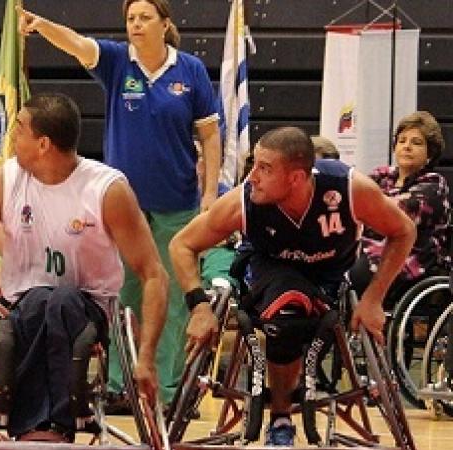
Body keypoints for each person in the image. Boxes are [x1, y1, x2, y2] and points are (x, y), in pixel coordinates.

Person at [18, 0, 221, 408]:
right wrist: (42, 25)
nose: (136, 24)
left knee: (167, 297)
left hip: (175, 203)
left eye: (145, 17)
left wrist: (211, 193)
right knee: (121, 296)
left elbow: (210, 137)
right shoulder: (116, 61)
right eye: (130, 18)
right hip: (122, 207)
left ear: (165, 24)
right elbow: (76, 43)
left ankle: (164, 391)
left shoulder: (191, 70)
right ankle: (118, 386)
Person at [0, 93, 168, 441]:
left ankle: (47, 425)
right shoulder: (0, 182)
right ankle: (37, 426)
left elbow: (153, 274)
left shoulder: (106, 189)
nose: (10, 140)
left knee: (58, 300)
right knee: (38, 302)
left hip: (88, 309)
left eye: (18, 131)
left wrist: (147, 356)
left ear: (43, 143)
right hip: (22, 307)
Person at [169, 126, 415, 446]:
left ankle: (296, 384)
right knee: (288, 303)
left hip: (327, 279)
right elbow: (182, 245)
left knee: (299, 302)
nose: (252, 176)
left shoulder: (348, 189)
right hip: (267, 273)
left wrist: (373, 300)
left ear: (296, 178)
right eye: (254, 164)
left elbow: (404, 231)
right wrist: (199, 306)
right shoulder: (245, 200)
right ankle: (281, 418)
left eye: (265, 169)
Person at [350, 111, 450, 303]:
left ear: (430, 153)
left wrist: (364, 209)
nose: (407, 146)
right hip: (367, 250)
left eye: (416, 142)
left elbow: (394, 213)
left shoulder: (434, 185)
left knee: (358, 273)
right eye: (402, 141)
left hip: (413, 260)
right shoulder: (380, 177)